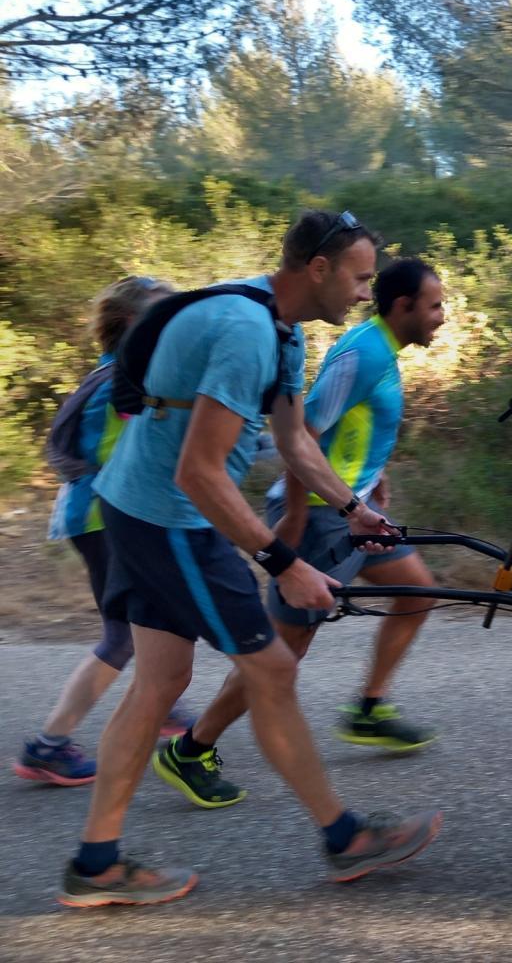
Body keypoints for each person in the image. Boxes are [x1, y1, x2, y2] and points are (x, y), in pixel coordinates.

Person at [58, 211, 441, 909]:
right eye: (358, 279)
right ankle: (345, 837)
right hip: (168, 518)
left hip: (145, 508)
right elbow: (200, 474)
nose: (364, 294)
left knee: (160, 681)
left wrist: (353, 508)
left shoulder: (281, 328)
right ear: (317, 270)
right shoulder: (246, 332)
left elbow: (294, 441)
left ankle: (96, 862)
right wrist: (283, 561)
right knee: (271, 669)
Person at [152, 257, 447, 811]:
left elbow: (346, 427)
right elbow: (303, 435)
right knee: (279, 652)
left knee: (418, 591)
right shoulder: (363, 352)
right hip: (314, 517)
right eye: (434, 305)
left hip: (349, 510)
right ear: (403, 306)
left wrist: (369, 479)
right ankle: (192, 749)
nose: (441, 317)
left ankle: (369, 707)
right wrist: (290, 519)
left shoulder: (382, 349)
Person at [14, 277, 194, 787]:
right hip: (103, 517)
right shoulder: (125, 380)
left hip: (102, 512)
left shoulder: (123, 371)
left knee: (149, 620)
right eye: (164, 315)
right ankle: (48, 745)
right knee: (123, 634)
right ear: (134, 325)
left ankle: (166, 706)